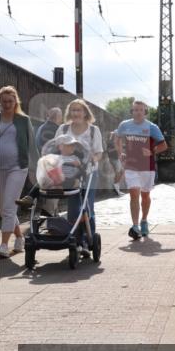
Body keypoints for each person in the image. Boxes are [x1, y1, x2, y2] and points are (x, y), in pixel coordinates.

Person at [55, 99, 103, 253]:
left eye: (79, 110)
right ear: (69, 112)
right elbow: (55, 148)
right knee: (73, 207)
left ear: (85, 113)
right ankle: (76, 240)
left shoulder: (94, 130)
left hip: (88, 172)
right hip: (69, 173)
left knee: (86, 206)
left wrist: (91, 160)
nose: (76, 113)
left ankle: (89, 240)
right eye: (73, 110)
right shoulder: (63, 129)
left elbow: (99, 152)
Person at [115, 100, 168, 240]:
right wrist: (121, 153)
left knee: (145, 196)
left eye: (141, 110)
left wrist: (152, 151)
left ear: (145, 112)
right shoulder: (124, 125)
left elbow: (164, 145)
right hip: (131, 166)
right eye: (135, 110)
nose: (138, 112)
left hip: (147, 167)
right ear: (132, 111)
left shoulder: (152, 127)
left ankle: (144, 220)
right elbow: (117, 139)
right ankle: (135, 226)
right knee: (133, 194)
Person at [0, 86, 36, 258]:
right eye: (4, 101)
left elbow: (31, 144)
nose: (7, 104)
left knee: (8, 206)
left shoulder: (23, 120)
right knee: (2, 208)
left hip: (17, 167)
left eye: (10, 101)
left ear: (15, 101)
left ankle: (4, 245)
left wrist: (37, 167)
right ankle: (20, 237)